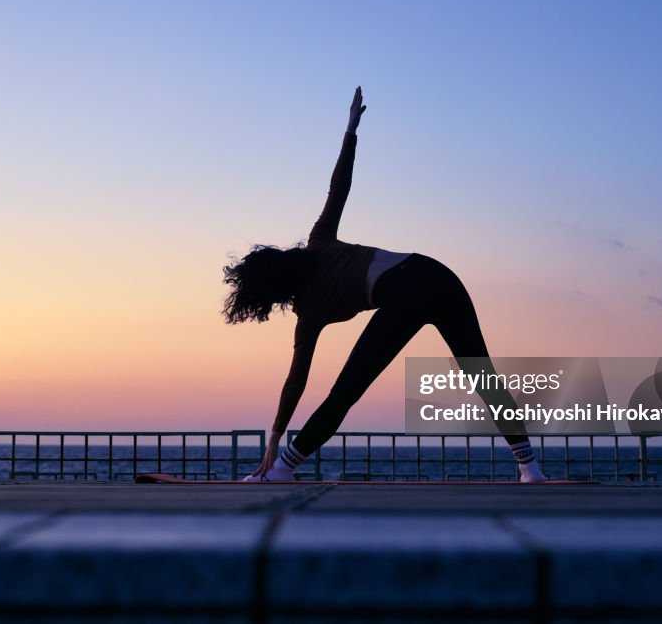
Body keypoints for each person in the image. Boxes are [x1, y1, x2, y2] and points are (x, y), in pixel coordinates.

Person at [222, 87, 546, 483]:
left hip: (407, 291)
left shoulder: (309, 312)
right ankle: (529, 467)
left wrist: (274, 438)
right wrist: (350, 129)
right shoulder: (319, 241)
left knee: (347, 391)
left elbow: (296, 382)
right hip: (437, 274)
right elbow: (337, 189)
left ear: (268, 295)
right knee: (481, 375)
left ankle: (282, 469)